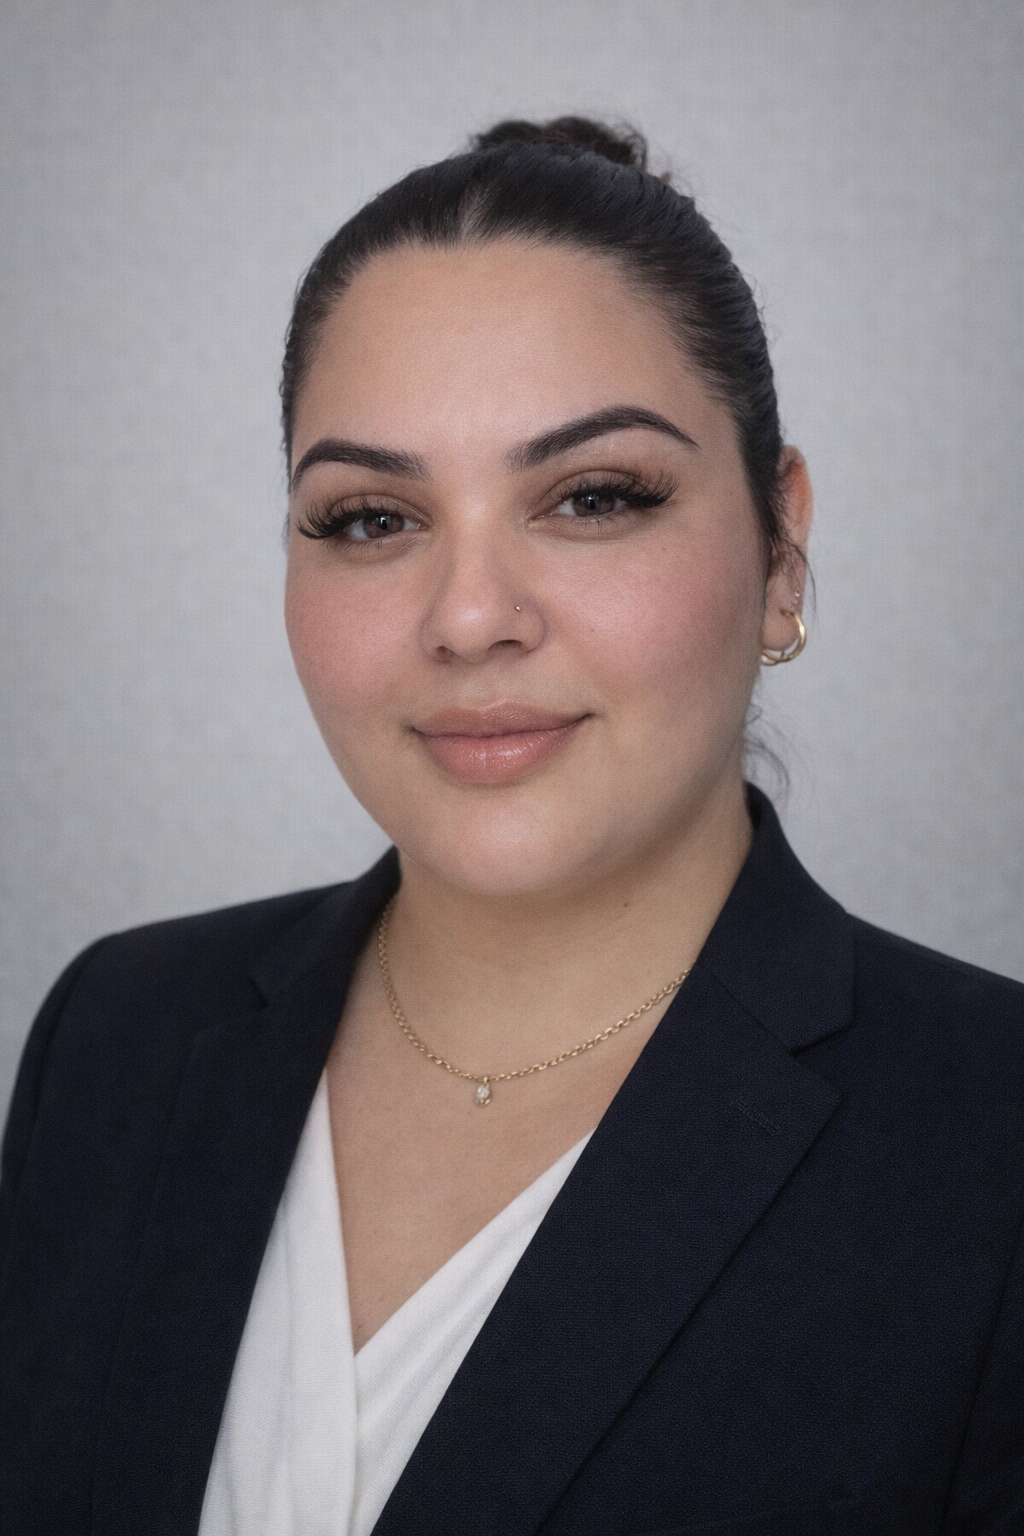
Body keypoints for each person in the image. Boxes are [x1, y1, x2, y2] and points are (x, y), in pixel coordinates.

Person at [0, 116, 1021, 1536]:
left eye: (593, 498)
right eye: (372, 519)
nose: (471, 617)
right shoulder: (115, 1036)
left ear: (781, 550)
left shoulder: (991, 1141)